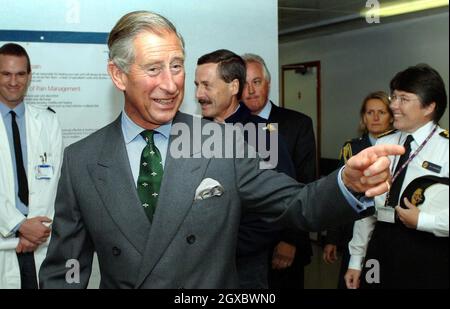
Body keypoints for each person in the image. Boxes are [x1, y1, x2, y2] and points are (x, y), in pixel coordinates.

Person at [39, 10, 403, 289]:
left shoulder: (221, 143)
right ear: (118, 75)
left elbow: (298, 204)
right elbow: (66, 269)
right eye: (153, 69)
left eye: (177, 66)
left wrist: (346, 184)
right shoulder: (82, 160)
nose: (170, 84)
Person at [195, 49, 295, 288]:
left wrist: (228, 246)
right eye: (197, 85)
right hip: (196, 265)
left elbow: (281, 201)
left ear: (233, 87)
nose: (199, 94)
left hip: (244, 265)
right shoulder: (191, 135)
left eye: (207, 85)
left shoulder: (264, 134)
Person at [345, 64, 449, 289]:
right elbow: (367, 206)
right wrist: (356, 260)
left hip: (427, 250)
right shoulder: (384, 143)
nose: (393, 106)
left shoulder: (446, 148)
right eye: (394, 97)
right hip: (380, 246)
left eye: (403, 99)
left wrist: (423, 221)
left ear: (429, 106)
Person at [241, 53, 315, 289]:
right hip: (242, 246)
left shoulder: (297, 124)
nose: (251, 90)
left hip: (283, 242)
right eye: (244, 84)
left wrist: (290, 239)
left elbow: (305, 184)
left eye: (257, 82)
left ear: (268, 83)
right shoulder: (224, 127)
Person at [0, 43, 63, 288]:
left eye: (20, 74)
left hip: (40, 242)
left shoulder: (48, 121)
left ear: (29, 77)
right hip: (4, 240)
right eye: (6, 73)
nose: (13, 81)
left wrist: (37, 231)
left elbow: (58, 181)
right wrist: (19, 225)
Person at [322, 91, 393, 289]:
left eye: (381, 112)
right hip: (352, 230)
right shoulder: (352, 148)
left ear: (391, 116)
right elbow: (338, 193)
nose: (376, 117)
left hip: (386, 232)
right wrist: (332, 239)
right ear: (363, 117)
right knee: (350, 281)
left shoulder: (399, 148)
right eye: (370, 112)